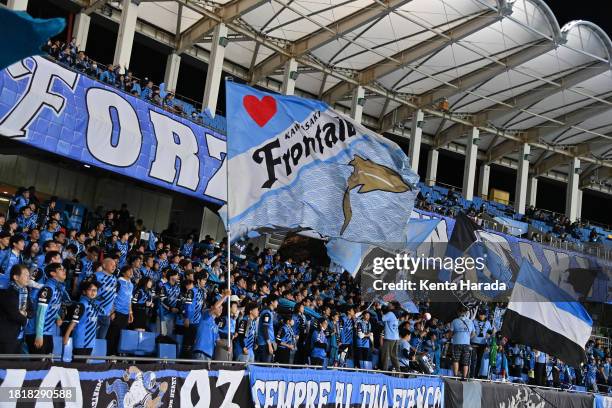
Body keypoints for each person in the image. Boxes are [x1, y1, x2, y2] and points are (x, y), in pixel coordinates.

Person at [27, 263, 67, 354]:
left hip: (47, 332)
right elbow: (40, 313)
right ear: (53, 273)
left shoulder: (58, 288)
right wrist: (39, 335)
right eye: (60, 269)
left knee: (47, 363)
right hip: (36, 332)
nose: (64, 271)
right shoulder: (48, 289)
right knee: (38, 365)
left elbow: (50, 306)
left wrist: (57, 317)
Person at [63, 280, 104, 357]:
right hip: (81, 341)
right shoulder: (82, 305)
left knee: (84, 366)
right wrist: (66, 336)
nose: (93, 292)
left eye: (95, 290)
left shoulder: (94, 305)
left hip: (91, 342)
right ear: (84, 292)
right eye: (90, 290)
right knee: (77, 365)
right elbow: (73, 322)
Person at [0, 264, 31, 354]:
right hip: (6, 338)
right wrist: (25, 320)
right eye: (25, 275)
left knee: (15, 366)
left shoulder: (26, 291)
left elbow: (32, 312)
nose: (28, 278)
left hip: (20, 336)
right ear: (16, 277)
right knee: (5, 365)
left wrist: (25, 314)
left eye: (29, 275)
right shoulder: (5, 293)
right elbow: (14, 314)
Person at [193, 289, 230, 361]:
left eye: (222, 308)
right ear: (211, 307)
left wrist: (226, 346)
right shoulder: (205, 315)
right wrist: (225, 296)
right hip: (200, 352)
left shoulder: (215, 325)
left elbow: (218, 341)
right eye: (220, 307)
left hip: (209, 355)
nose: (221, 310)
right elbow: (215, 307)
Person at [106, 266, 134, 355]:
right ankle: (109, 354)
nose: (131, 272)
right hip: (117, 311)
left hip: (126, 313)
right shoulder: (118, 282)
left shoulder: (131, 284)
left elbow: (130, 299)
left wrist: (130, 312)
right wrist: (112, 311)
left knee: (120, 335)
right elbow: (112, 297)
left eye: (132, 271)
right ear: (123, 273)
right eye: (129, 270)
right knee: (112, 334)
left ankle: (117, 355)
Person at [94, 258, 118, 339]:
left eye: (115, 265)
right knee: (93, 337)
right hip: (95, 313)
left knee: (101, 339)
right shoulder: (96, 275)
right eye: (112, 265)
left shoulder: (114, 279)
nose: (114, 267)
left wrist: (112, 311)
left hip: (107, 315)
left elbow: (113, 296)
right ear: (104, 265)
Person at [451, 306, 475, 379]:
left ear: (458, 312)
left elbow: (451, 332)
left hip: (456, 343)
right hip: (466, 344)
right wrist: (468, 337)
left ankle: (455, 376)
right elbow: (474, 333)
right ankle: (464, 377)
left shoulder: (454, 321)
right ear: (466, 313)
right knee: (465, 361)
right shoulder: (470, 321)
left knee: (456, 360)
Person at [471, 309, 493, 378]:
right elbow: (471, 331)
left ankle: (476, 375)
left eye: (483, 315)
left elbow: (490, 333)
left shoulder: (488, 323)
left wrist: (489, 337)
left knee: (479, 361)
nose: (481, 316)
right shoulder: (473, 321)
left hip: (483, 344)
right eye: (480, 314)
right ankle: (471, 375)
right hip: (474, 343)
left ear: (485, 315)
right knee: (473, 359)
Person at [257, 295, 278, 363]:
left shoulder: (269, 312)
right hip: (265, 344)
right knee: (265, 366)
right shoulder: (267, 313)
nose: (277, 303)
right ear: (272, 302)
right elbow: (264, 328)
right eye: (276, 301)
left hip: (267, 343)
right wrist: (269, 344)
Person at [380, 302, 401, 372]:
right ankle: (398, 371)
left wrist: (381, 311)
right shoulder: (397, 314)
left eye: (390, 304)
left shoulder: (390, 313)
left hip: (389, 337)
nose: (388, 305)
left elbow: (382, 318)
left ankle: (384, 372)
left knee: (385, 355)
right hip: (396, 337)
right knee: (394, 356)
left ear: (393, 306)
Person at [159, 269, 180, 338]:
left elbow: (179, 299)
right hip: (164, 313)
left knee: (170, 334)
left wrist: (177, 308)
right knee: (164, 333)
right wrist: (170, 308)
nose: (178, 277)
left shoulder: (178, 287)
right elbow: (162, 300)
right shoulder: (164, 287)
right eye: (176, 275)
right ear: (171, 276)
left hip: (174, 314)